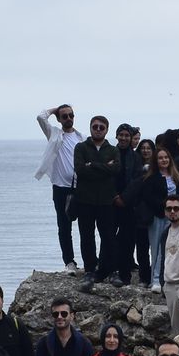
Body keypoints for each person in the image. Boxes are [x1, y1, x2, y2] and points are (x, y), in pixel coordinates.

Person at [74, 115, 121, 288]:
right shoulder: (80, 147)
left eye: (102, 127)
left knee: (108, 237)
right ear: (90, 128)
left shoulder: (113, 150)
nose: (98, 129)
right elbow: (80, 170)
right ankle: (89, 271)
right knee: (87, 237)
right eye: (95, 127)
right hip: (84, 200)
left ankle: (111, 270)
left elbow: (116, 169)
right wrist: (104, 167)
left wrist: (92, 165)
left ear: (107, 129)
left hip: (106, 201)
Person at [36, 103, 83, 271]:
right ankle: (69, 262)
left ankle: (90, 261)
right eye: (64, 116)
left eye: (71, 115)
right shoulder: (54, 134)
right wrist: (54, 110)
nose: (68, 118)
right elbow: (41, 117)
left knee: (85, 226)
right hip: (60, 188)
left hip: (80, 188)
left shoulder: (81, 138)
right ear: (59, 119)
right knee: (64, 227)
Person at [141, 147, 179, 289]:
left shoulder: (177, 176)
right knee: (157, 248)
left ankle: (171, 277)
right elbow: (148, 197)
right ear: (156, 160)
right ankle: (155, 279)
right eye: (160, 158)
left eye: (166, 157)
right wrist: (164, 207)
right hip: (158, 217)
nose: (164, 160)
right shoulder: (151, 178)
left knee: (175, 247)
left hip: (175, 218)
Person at [111, 128, 149, 286]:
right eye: (121, 135)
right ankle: (110, 270)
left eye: (127, 135)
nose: (124, 138)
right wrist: (114, 196)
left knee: (127, 241)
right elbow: (106, 176)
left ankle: (125, 276)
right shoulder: (110, 152)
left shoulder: (136, 157)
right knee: (109, 239)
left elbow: (138, 180)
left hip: (128, 204)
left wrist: (124, 198)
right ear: (117, 136)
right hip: (111, 203)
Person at [156, 195, 179, 331]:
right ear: (165, 212)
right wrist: (162, 283)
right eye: (169, 209)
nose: (173, 211)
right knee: (177, 328)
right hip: (169, 283)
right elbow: (163, 259)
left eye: (176, 208)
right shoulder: (164, 233)